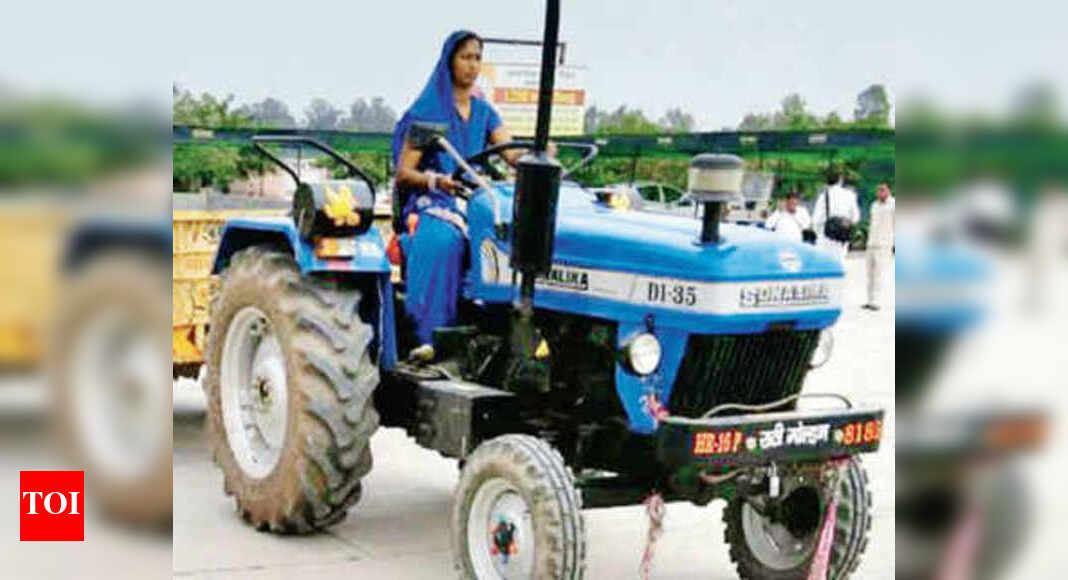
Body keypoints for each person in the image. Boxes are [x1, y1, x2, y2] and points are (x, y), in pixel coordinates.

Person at [392, 30, 519, 361]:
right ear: (449, 61)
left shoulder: (484, 111)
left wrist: (537, 155)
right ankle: (430, 337)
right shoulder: (429, 111)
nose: (473, 65)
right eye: (465, 57)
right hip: (433, 200)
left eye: (478, 58)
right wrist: (437, 181)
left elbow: (511, 151)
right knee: (445, 240)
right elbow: (404, 174)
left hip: (475, 200)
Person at [812, 172, 860, 262]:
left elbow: (816, 219)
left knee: (825, 266)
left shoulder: (823, 196)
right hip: (842, 238)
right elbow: (856, 218)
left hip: (826, 238)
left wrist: (817, 233)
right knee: (840, 265)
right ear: (840, 180)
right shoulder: (850, 195)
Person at [863, 182, 894, 310]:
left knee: (879, 274)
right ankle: (869, 300)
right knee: (869, 273)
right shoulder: (874, 205)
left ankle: (877, 301)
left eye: (883, 190)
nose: (880, 193)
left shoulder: (894, 205)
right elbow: (871, 223)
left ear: (888, 191)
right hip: (871, 243)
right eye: (878, 191)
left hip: (884, 244)